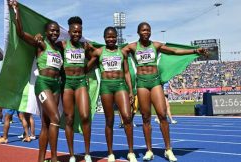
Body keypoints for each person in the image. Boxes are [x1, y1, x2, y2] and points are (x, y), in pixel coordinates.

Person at [122, 22, 208, 162]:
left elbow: (174, 51)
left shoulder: (155, 45)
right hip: (142, 83)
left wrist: (194, 51)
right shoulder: (132, 47)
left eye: (148, 30)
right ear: (138, 32)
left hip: (155, 82)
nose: (146, 32)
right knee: (145, 117)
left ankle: (168, 150)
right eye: (143, 30)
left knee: (162, 114)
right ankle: (149, 150)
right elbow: (115, 51)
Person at [10, 1, 63, 161]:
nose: (55, 33)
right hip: (43, 84)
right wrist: (16, 10)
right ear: (46, 32)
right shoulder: (41, 43)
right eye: (52, 31)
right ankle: (54, 158)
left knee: (47, 124)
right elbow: (20, 33)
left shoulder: (60, 48)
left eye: (57, 31)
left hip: (56, 86)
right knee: (55, 119)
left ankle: (40, 159)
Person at [87, 26, 137, 162]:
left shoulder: (122, 53)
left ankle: (131, 152)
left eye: (113, 36)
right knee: (109, 120)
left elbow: (127, 72)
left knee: (127, 117)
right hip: (106, 87)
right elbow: (87, 67)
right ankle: (110, 153)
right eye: (108, 37)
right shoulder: (99, 52)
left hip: (121, 85)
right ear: (104, 38)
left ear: (116, 38)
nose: (111, 39)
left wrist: (131, 90)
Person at [57, 16, 92, 162]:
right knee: (69, 119)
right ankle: (71, 155)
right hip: (67, 85)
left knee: (85, 116)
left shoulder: (85, 47)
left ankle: (87, 153)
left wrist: (86, 69)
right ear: (69, 31)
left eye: (79, 32)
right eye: (74, 32)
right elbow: (47, 45)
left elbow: (95, 57)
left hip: (80, 84)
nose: (77, 34)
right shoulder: (63, 45)